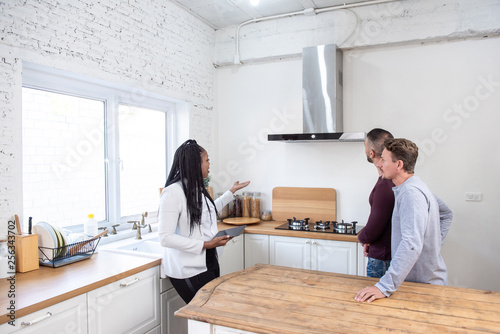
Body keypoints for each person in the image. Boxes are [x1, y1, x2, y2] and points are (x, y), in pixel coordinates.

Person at [355, 138, 452, 303]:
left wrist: (383, 286)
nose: (379, 164)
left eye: (384, 160)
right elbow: (446, 213)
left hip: (422, 287)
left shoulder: (410, 193)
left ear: (399, 165)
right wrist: (432, 246)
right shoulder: (414, 186)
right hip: (419, 283)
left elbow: (411, 243)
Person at [158, 139, 250, 304]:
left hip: (209, 259)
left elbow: (208, 210)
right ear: (195, 164)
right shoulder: (172, 193)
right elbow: (165, 237)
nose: (209, 164)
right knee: (204, 312)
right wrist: (206, 245)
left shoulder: (195, 188)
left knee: (213, 311)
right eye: (207, 160)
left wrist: (230, 192)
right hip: (187, 269)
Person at [358, 128, 395, 278]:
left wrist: (363, 237)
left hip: (382, 257)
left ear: (371, 152)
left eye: (366, 146)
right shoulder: (388, 180)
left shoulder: (385, 185)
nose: (365, 150)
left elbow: (375, 227)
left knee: (374, 298)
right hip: (384, 252)